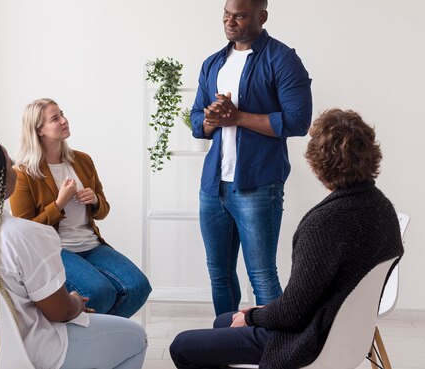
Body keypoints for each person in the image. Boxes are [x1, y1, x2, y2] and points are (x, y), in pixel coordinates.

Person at [170, 109, 404, 369]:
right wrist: (254, 316)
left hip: (309, 339)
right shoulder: (383, 210)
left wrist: (254, 317)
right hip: (347, 332)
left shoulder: (324, 224)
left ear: (317, 160)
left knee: (182, 346)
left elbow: (292, 313)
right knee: (223, 321)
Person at [0, 138, 147, 369]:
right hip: (28, 353)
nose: (15, 169)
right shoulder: (24, 235)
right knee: (136, 337)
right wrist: (76, 302)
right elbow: (61, 312)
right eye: (10, 164)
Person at [190, 0, 313, 315]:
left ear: (263, 16)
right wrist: (212, 119)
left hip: (258, 186)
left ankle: (275, 351)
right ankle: (224, 346)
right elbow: (195, 120)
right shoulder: (213, 63)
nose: (231, 22)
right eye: (227, 14)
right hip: (213, 187)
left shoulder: (283, 60)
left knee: (262, 276)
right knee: (219, 275)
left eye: (241, 16)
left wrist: (239, 117)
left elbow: (298, 121)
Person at [9, 98, 151, 317]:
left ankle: (101, 340)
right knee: (99, 292)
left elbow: (103, 211)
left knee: (138, 286)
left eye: (62, 114)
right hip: (56, 250)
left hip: (91, 244)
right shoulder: (23, 173)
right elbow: (25, 231)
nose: (64, 121)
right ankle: (89, 342)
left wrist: (94, 200)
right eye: (55, 118)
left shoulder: (82, 161)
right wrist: (59, 204)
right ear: (38, 130)